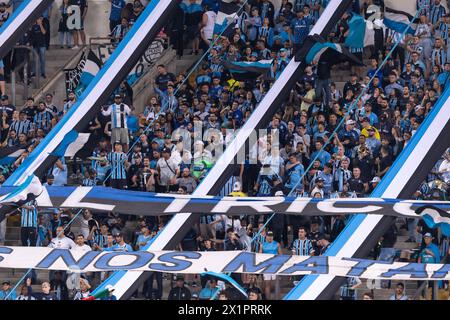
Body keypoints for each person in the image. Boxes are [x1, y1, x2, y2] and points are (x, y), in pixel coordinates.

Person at [259, 231, 281, 300]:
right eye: (268, 236)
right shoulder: (262, 245)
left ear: (273, 236)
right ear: (266, 236)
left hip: (275, 265)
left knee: (275, 283)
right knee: (267, 284)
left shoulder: (277, 244)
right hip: (266, 266)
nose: (270, 237)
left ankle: (276, 298)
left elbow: (281, 255)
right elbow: (259, 255)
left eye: (271, 236)